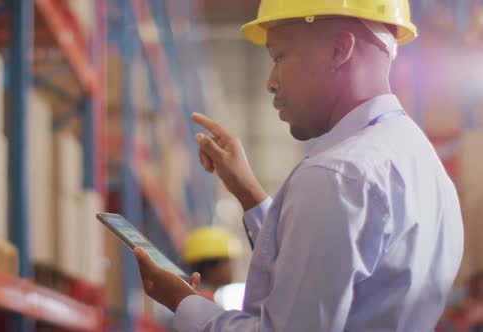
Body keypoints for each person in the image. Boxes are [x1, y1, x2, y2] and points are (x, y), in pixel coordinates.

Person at [133, 0, 465, 330]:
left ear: (339, 50)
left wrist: (183, 303)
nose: (271, 82)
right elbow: (329, 263)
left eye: (279, 56)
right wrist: (248, 193)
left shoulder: (336, 176)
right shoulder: (422, 163)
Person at [181, 226, 242, 301]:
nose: (232, 268)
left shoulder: (189, 295)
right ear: (212, 268)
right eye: (228, 261)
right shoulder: (205, 299)